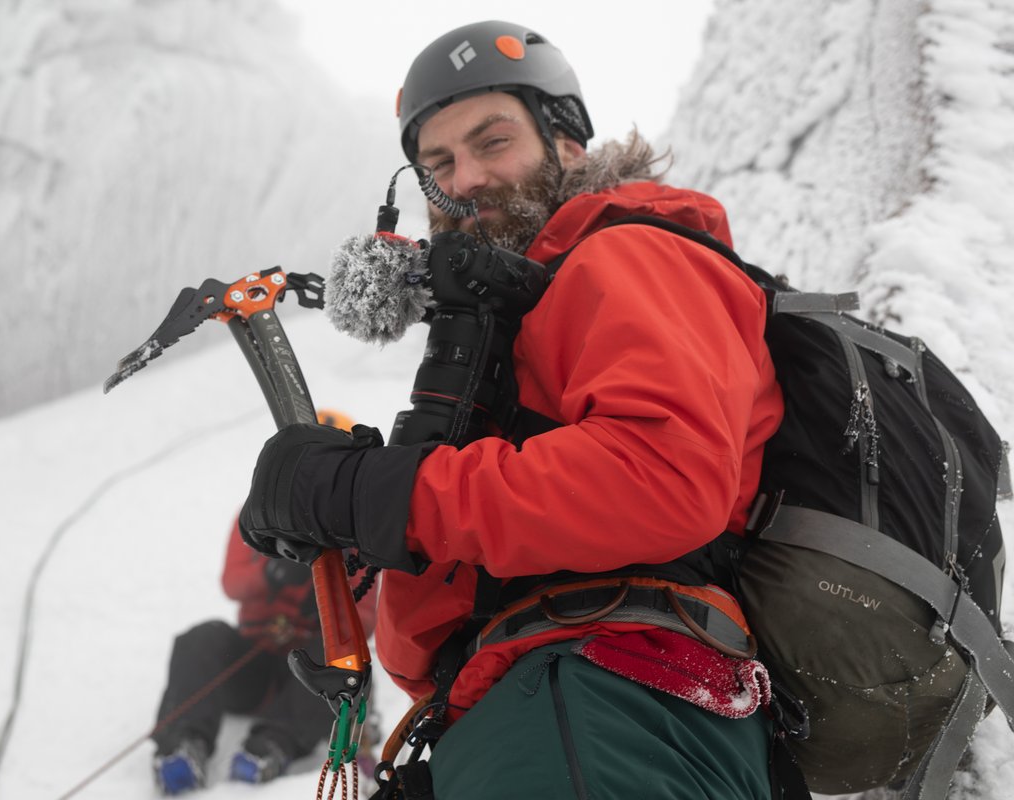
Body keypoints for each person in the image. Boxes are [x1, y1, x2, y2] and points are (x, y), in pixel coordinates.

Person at [239, 20, 786, 800]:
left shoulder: (625, 251)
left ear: (566, 140)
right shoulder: (524, 315)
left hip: (603, 696)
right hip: (541, 701)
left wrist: (377, 492)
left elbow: (661, 478)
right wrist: (355, 512)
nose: (463, 180)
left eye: (491, 142)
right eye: (438, 165)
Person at [151, 409, 378, 795]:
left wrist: (326, 602)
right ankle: (182, 744)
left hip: (308, 669)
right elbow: (232, 581)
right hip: (254, 656)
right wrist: (270, 575)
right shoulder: (256, 515)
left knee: (336, 654)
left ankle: (271, 745)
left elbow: (367, 618)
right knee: (203, 637)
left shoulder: (360, 534)